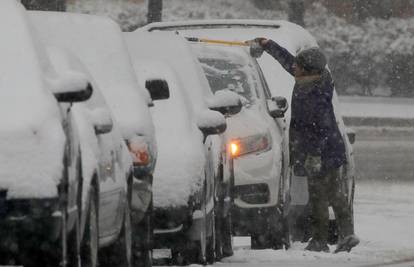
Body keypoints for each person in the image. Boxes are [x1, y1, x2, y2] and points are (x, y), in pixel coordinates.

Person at [246, 38, 359, 253]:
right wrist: (269, 45)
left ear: (307, 70)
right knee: (336, 193)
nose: (294, 68)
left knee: (318, 197)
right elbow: (290, 62)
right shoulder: (319, 79)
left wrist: (314, 155)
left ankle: (320, 241)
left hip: (320, 152)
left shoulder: (311, 95)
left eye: (298, 66)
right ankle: (347, 234)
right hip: (332, 150)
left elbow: (318, 128)